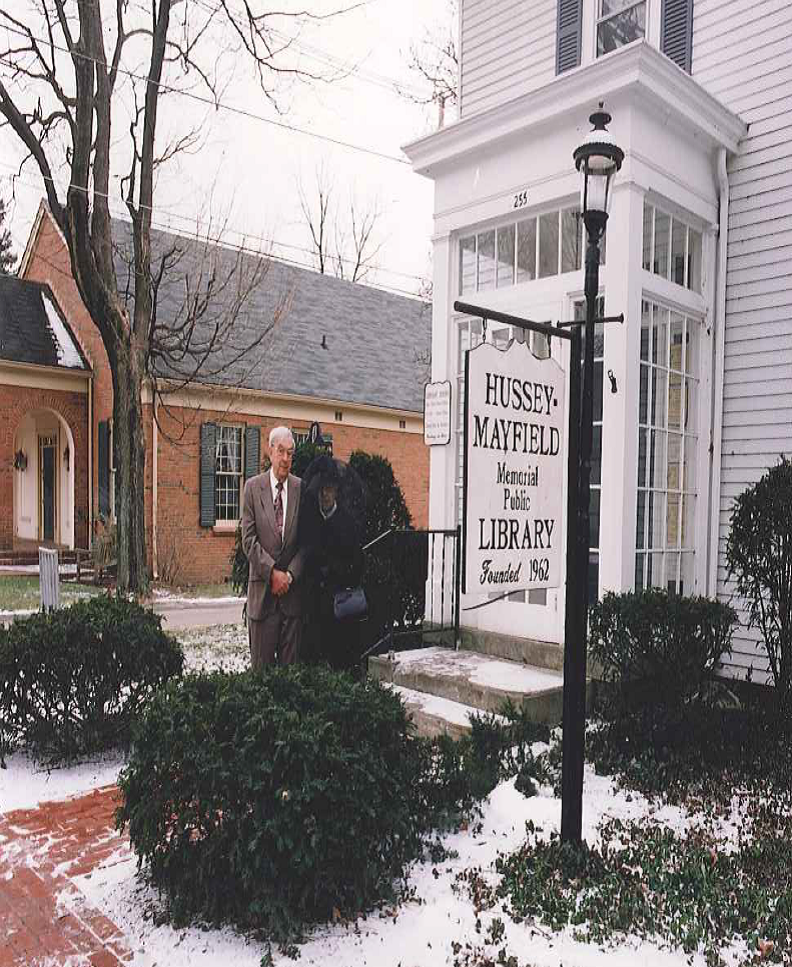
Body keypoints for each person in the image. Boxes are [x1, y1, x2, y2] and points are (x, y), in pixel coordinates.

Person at [241, 426, 307, 669]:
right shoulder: (252, 488)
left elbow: (306, 543)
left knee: (290, 680)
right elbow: (248, 540)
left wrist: (289, 575)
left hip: (292, 602)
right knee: (262, 677)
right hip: (262, 600)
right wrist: (272, 574)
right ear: (270, 451)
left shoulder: (301, 489)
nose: (286, 459)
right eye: (281, 451)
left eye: (290, 453)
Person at [303, 455, 364, 670]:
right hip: (315, 605)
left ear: (336, 491)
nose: (325, 495)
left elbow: (356, 566)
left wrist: (333, 569)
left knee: (341, 661)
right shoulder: (311, 521)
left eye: (329, 489)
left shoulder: (348, 523)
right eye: (322, 490)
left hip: (339, 606)